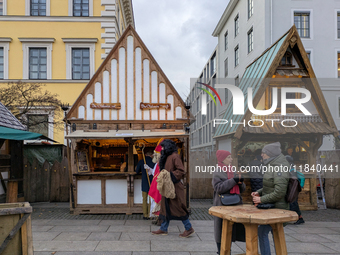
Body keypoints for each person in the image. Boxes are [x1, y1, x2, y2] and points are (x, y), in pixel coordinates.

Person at [251, 142, 289, 255]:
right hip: (273, 206)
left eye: (264, 153)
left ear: (270, 154)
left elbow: (279, 192)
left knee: (263, 232)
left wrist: (261, 199)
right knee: (271, 232)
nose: (262, 155)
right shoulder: (272, 165)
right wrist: (258, 192)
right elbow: (270, 185)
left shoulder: (279, 167)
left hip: (277, 207)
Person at [151, 139, 194, 238]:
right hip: (167, 187)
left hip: (174, 188)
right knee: (165, 207)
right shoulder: (167, 157)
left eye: (163, 147)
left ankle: (189, 228)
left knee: (178, 207)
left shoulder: (175, 156)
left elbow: (181, 171)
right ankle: (163, 228)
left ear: (167, 147)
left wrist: (169, 175)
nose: (161, 149)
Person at [213, 150, 246, 254]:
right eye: (229, 157)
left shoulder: (233, 170)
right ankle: (221, 251)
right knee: (221, 230)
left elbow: (242, 189)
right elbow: (218, 188)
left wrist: (241, 182)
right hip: (222, 205)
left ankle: (227, 250)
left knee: (232, 230)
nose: (231, 159)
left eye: (231, 157)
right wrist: (233, 181)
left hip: (235, 203)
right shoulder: (217, 171)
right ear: (222, 159)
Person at [285, 155, 305, 225]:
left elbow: (293, 181)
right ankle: (299, 217)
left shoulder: (291, 170)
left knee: (293, 204)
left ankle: (300, 218)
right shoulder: (291, 168)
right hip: (293, 190)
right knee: (293, 203)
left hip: (292, 190)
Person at [135, 150, 155, 220]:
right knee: (151, 199)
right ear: (152, 155)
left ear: (145, 154)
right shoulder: (154, 162)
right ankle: (150, 214)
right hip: (152, 183)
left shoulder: (141, 161)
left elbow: (136, 171)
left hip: (144, 183)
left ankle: (145, 215)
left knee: (144, 199)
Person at [148, 138, 163, 222]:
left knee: (158, 202)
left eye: (155, 155)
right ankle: (158, 219)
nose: (154, 156)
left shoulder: (161, 164)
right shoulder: (157, 164)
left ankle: (160, 220)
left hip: (159, 185)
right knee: (154, 202)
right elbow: (153, 173)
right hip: (155, 184)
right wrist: (148, 169)